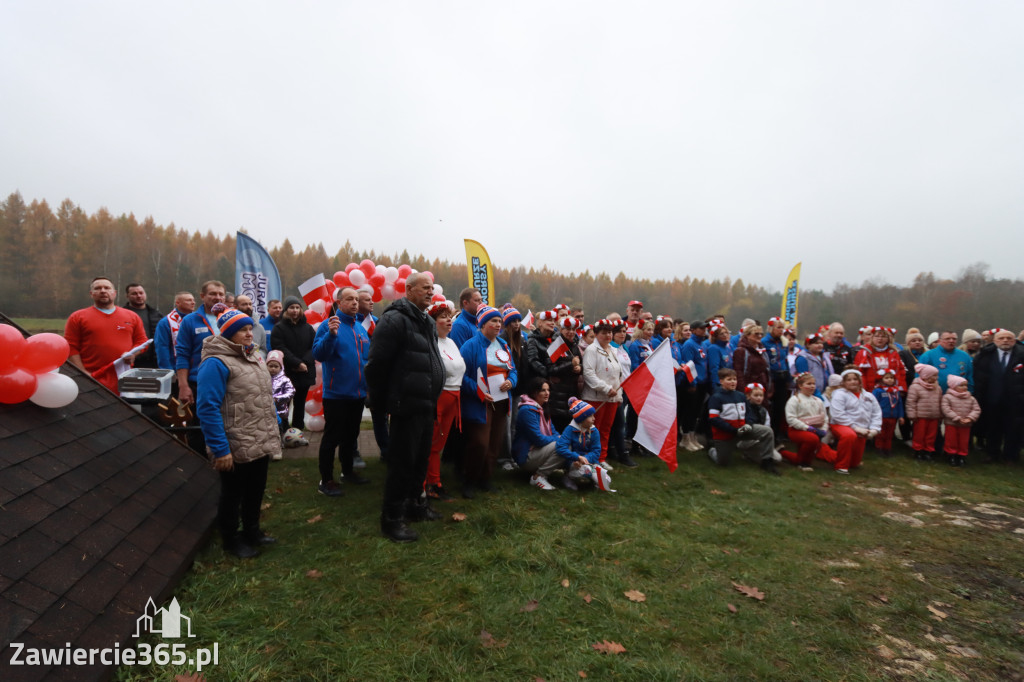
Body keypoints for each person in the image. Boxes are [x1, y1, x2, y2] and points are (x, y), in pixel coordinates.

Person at [365, 272, 445, 542]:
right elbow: (376, 365)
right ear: (408, 290)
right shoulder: (394, 319)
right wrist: (380, 402)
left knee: (419, 461)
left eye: (432, 288)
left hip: (425, 403)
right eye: (425, 288)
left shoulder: (427, 321)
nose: (430, 292)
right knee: (401, 463)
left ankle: (415, 506)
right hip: (405, 404)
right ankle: (392, 519)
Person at [196, 306, 280, 558]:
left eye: (249, 329)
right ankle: (231, 539)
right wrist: (220, 449)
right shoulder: (215, 363)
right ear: (228, 333)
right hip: (234, 441)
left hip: (259, 436)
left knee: (256, 488)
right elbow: (207, 408)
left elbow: (263, 396)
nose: (248, 334)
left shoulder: (253, 356)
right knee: (233, 494)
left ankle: (252, 530)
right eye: (242, 330)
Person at [312, 287, 371, 498]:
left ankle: (347, 472)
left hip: (357, 394)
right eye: (350, 299)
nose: (355, 303)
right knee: (332, 438)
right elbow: (318, 354)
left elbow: (366, 360)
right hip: (336, 395)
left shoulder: (360, 329)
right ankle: (326, 480)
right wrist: (331, 335)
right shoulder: (329, 326)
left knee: (351, 436)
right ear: (339, 302)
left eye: (356, 299)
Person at [457, 305, 516, 499]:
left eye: (499, 321)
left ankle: (485, 478)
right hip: (479, 402)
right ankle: (469, 479)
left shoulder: (503, 345)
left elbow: (513, 370)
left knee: (494, 443)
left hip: (500, 401)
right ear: (483, 324)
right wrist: (478, 391)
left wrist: (510, 381)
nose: (498, 324)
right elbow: (461, 376)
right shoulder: (470, 346)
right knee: (480, 443)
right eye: (494, 321)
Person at [66, 276, 149, 394]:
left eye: (107, 288)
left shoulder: (132, 316)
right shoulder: (77, 317)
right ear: (91, 294)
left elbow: (142, 342)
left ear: (114, 293)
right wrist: (83, 373)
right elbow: (71, 347)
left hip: (123, 377)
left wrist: (132, 353)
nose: (103, 291)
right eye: (98, 288)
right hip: (92, 377)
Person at [425, 300, 464, 502]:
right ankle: (428, 484)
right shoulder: (431, 343)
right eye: (443, 317)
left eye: (449, 317)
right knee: (431, 443)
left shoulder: (451, 342)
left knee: (439, 444)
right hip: (439, 398)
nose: (448, 321)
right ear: (433, 322)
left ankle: (435, 480)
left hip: (454, 397)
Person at [706, 368, 777, 472]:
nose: (733, 382)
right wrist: (733, 430)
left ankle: (767, 462)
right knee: (723, 462)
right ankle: (712, 450)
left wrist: (748, 424)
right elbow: (713, 419)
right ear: (721, 381)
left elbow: (749, 413)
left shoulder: (741, 396)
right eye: (729, 379)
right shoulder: (716, 397)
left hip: (743, 430)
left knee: (767, 431)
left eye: (734, 379)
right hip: (726, 434)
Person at [973, 328, 1024, 463]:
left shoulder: (1021, 355)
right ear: (994, 341)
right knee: (993, 427)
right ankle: (992, 454)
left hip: (1016, 400)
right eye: (1001, 338)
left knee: (1013, 429)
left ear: (1015, 341)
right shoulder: (985, 355)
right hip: (991, 399)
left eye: (1009, 338)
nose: (1005, 341)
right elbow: (978, 377)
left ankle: (1011, 456)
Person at [581, 319, 625, 468]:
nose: (608, 336)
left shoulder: (613, 350)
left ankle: (601, 458)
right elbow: (588, 374)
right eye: (604, 333)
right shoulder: (591, 350)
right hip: (595, 397)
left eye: (610, 332)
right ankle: (590, 459)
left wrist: (618, 394)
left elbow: (617, 374)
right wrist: (606, 388)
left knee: (606, 429)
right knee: (594, 429)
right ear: (596, 334)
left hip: (612, 398)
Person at [175, 280, 227, 406]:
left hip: (229, 381)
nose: (217, 298)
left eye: (221, 294)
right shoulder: (190, 321)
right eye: (213, 294)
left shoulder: (233, 319)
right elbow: (182, 354)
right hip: (199, 382)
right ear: (202, 296)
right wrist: (183, 386)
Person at [270, 296, 316, 431]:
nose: (295, 310)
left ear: (301, 310)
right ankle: (283, 430)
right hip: (287, 372)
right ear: (286, 310)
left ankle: (298, 430)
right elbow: (279, 347)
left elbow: (313, 346)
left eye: (297, 307)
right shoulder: (279, 328)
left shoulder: (308, 328)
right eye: (291, 307)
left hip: (305, 372)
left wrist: (304, 363)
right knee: (284, 403)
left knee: (300, 403)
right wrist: (296, 363)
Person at [512, 378, 564, 490]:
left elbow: (553, 431)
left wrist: (558, 437)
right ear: (534, 392)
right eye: (543, 390)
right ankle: (538, 476)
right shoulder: (527, 410)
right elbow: (538, 439)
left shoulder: (543, 408)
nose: (547, 393)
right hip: (527, 456)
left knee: (566, 442)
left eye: (548, 390)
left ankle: (573, 473)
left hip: (539, 449)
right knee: (562, 445)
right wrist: (557, 439)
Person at [828, 369, 882, 474]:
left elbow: (877, 413)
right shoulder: (839, 394)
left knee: (854, 463)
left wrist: (875, 429)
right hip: (841, 424)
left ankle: (822, 450)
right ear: (843, 382)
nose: (852, 382)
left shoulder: (869, 396)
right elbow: (837, 414)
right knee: (849, 435)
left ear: (859, 381)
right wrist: (855, 427)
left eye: (855, 379)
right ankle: (841, 466)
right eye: (849, 380)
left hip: (862, 428)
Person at [556, 397, 613, 492]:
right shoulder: (570, 430)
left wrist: (585, 459)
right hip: (574, 462)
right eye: (590, 416)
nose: (594, 419)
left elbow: (596, 451)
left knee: (606, 480)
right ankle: (569, 477)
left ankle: (593, 481)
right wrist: (576, 457)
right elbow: (561, 447)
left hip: (591, 462)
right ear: (581, 419)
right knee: (586, 470)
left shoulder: (594, 431)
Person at [784, 373, 836, 470]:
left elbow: (824, 417)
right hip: (796, 429)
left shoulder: (818, 401)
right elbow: (791, 419)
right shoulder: (795, 400)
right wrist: (808, 428)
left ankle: (786, 454)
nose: (812, 386)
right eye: (809, 384)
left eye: (813, 384)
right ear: (800, 386)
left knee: (813, 441)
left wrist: (824, 429)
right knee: (812, 439)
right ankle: (803, 463)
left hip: (814, 430)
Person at [677, 320, 710, 451]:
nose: (704, 331)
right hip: (693, 384)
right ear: (694, 330)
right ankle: (685, 438)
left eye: (705, 329)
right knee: (689, 412)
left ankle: (692, 436)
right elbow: (688, 365)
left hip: (703, 383)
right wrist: (692, 382)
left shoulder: (703, 344)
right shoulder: (689, 344)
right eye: (701, 329)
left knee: (696, 412)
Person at [548, 317, 584, 432]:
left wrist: (579, 368)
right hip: (557, 397)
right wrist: (570, 365)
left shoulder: (574, 346)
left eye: (573, 329)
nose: (571, 332)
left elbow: (582, 365)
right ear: (561, 329)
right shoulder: (555, 345)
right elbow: (550, 370)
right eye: (568, 329)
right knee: (559, 428)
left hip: (572, 394)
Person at [762, 317, 792, 439]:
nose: (781, 330)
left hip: (782, 377)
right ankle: (767, 432)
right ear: (770, 328)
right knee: (770, 406)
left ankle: (776, 432)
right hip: (771, 378)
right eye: (778, 327)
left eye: (782, 328)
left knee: (781, 407)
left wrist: (789, 378)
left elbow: (785, 360)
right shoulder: (764, 342)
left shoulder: (783, 342)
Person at [941, 375, 980, 467]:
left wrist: (970, 418)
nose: (964, 387)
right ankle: (951, 455)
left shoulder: (971, 398)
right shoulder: (947, 397)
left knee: (963, 441)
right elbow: (946, 409)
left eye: (965, 385)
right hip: (952, 423)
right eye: (961, 385)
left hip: (965, 425)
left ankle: (961, 456)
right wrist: (957, 418)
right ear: (953, 386)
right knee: (951, 440)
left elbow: (976, 409)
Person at [906, 364, 942, 461]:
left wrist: (940, 414)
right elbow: (911, 402)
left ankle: (928, 450)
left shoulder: (937, 387)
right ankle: (918, 450)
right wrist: (912, 414)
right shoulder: (915, 387)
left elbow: (940, 401)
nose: (936, 378)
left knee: (931, 435)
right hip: (920, 416)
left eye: (936, 376)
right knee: (919, 434)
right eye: (934, 375)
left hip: (933, 416)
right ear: (926, 376)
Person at [854, 326, 906, 392]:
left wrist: (901, 388)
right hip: (870, 390)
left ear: (888, 339)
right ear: (872, 338)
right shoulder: (864, 352)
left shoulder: (893, 353)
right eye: (877, 336)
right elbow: (859, 373)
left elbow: (900, 371)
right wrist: (863, 390)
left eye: (883, 337)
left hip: (891, 391)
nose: (880, 339)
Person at [123, 282, 162, 368]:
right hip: (130, 362)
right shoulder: (121, 315)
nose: (139, 296)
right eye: (134, 294)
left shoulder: (156, 314)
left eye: (141, 293)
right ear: (127, 296)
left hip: (153, 362)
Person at [155, 291, 195, 371]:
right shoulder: (165, 322)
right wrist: (167, 370)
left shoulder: (197, 320)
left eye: (193, 300)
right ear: (178, 303)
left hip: (195, 369)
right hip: (174, 368)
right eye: (188, 300)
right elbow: (162, 347)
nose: (193, 303)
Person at [266, 350, 296, 451]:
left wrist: (278, 399)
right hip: (266, 411)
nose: (273, 369)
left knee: (280, 429)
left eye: (276, 366)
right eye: (270, 366)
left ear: (281, 367)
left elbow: (291, 392)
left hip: (280, 411)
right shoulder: (263, 378)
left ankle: (280, 444)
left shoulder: (284, 380)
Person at [871, 370, 904, 458]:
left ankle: (887, 449)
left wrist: (901, 416)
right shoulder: (878, 391)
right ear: (881, 379)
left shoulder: (896, 391)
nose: (889, 380)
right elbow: (873, 403)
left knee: (889, 434)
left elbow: (900, 404)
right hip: (881, 416)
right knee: (881, 433)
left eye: (891, 378)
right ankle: (879, 448)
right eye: (886, 378)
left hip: (893, 416)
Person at [733, 325, 771, 396]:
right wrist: (743, 391)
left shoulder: (762, 350)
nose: (759, 336)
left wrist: (769, 386)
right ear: (747, 335)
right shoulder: (741, 351)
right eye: (756, 334)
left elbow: (767, 370)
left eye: (761, 334)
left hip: (762, 388)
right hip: (749, 388)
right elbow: (739, 373)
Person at [234, 295, 267, 360]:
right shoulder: (230, 327)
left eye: (250, 304)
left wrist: (257, 357)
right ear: (235, 307)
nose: (248, 307)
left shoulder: (259, 327)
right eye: (244, 304)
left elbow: (263, 350)